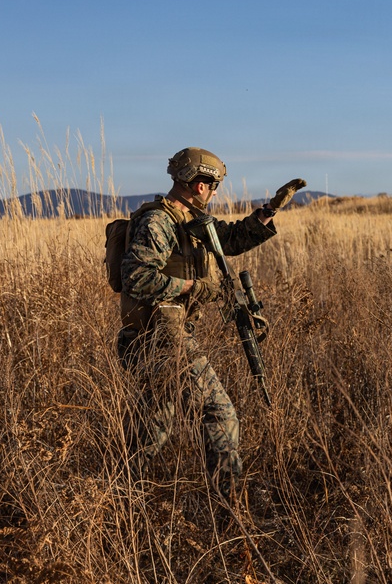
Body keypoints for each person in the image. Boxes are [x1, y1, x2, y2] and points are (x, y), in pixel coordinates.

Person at [117, 146, 304, 499]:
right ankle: (229, 504)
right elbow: (136, 277)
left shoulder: (190, 220)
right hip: (158, 336)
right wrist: (192, 287)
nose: (215, 193)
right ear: (199, 184)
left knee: (154, 423)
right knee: (219, 414)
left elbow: (229, 239)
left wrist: (268, 212)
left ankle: (122, 497)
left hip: (164, 333)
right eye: (214, 186)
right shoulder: (158, 222)